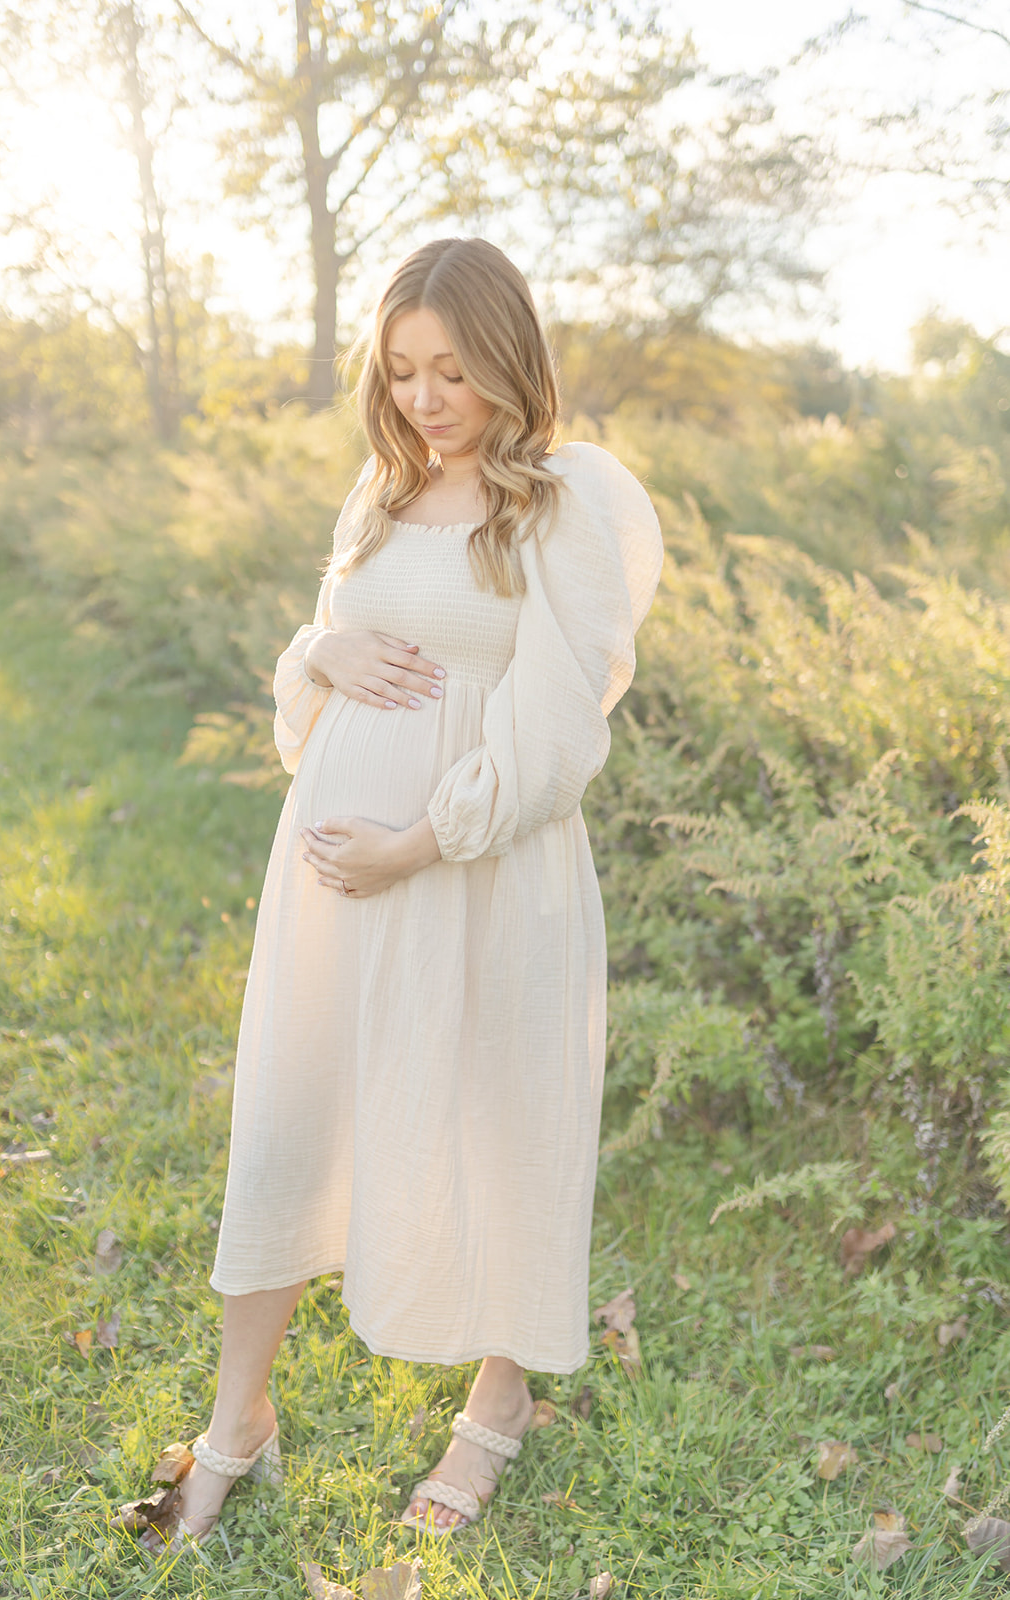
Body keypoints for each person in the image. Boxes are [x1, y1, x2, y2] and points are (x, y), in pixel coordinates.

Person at [143, 236, 662, 1547]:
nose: (428, 399)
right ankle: (237, 1423)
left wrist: (417, 841)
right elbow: (311, 692)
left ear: (507, 361)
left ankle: (495, 1407)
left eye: (455, 371)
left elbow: (555, 730)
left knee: (503, 1121)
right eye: (404, 371)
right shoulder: (376, 495)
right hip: (330, 885)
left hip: (481, 871)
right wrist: (319, 641)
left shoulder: (560, 502)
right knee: (285, 1125)